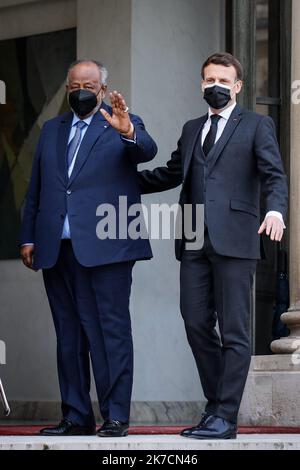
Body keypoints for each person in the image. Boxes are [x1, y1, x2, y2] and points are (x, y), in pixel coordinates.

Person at [138, 52, 288, 440]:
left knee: (235, 331)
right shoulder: (191, 129)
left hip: (237, 239)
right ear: (201, 84)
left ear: (237, 86)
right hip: (193, 240)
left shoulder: (257, 124)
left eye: (223, 80)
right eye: (209, 80)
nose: (215, 87)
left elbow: (274, 175)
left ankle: (224, 415)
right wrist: (118, 180)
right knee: (195, 322)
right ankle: (217, 406)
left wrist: (275, 212)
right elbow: (172, 173)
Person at [20, 59, 157, 437]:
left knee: (109, 333)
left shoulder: (120, 122)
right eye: (74, 85)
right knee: (69, 335)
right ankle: (76, 415)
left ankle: (115, 416)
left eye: (89, 85)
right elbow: (38, 188)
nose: (81, 91)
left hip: (108, 249)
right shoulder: (51, 130)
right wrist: (28, 236)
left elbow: (146, 150)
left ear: (101, 89)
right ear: (68, 89)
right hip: (57, 250)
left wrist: (126, 128)